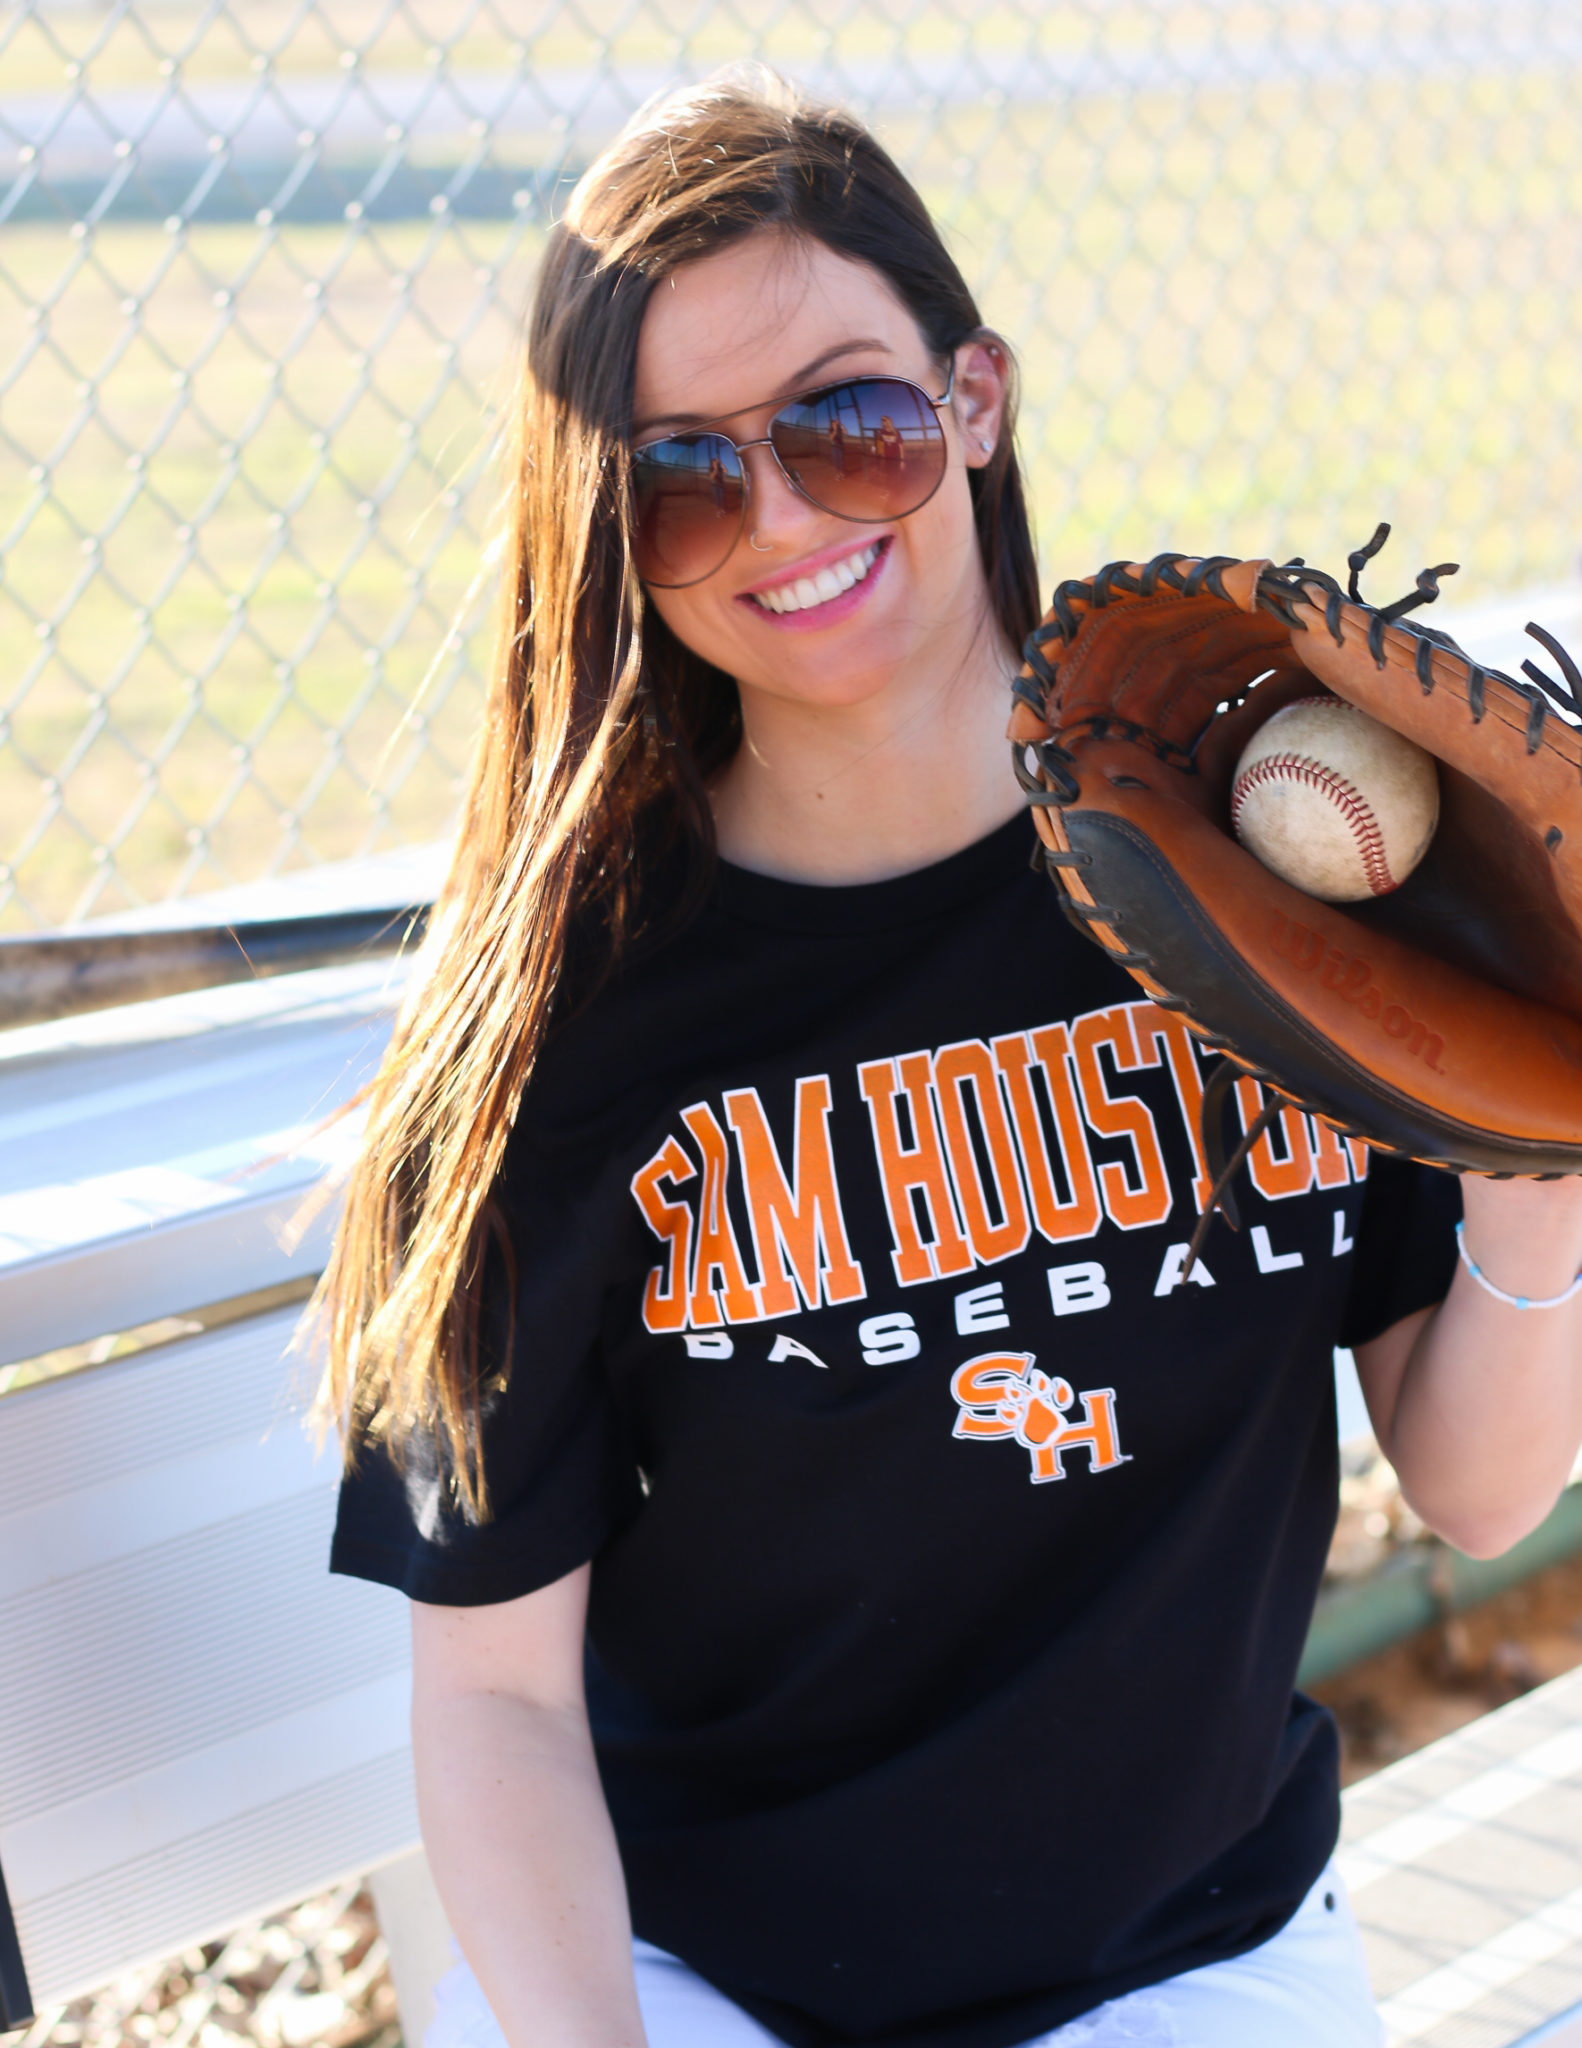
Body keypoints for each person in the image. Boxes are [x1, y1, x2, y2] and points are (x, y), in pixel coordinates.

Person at [319, 69, 1582, 2048]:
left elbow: (1476, 1486)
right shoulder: (560, 1029)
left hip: (1192, 1966)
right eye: (682, 473)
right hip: (696, 1983)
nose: (787, 517)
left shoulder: (1243, 896)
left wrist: (1536, 1176)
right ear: (614, 533)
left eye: (850, 422)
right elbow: (493, 1695)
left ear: (971, 400)